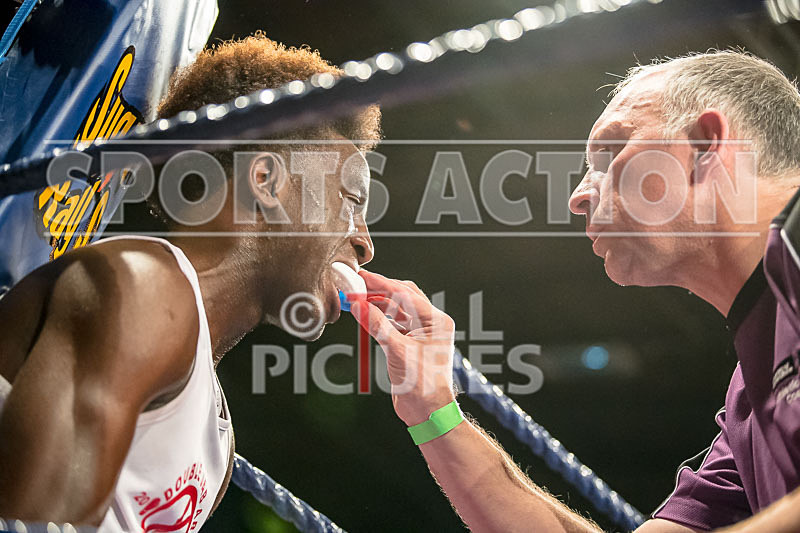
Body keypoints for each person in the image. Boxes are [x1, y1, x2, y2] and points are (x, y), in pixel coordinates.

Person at [351, 50, 800, 532]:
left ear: (706, 144)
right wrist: (433, 410)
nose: (578, 195)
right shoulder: (748, 408)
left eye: (610, 152)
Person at [0, 34, 381, 530]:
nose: (365, 243)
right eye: (352, 201)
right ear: (265, 182)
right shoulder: (144, 288)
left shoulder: (218, 439)